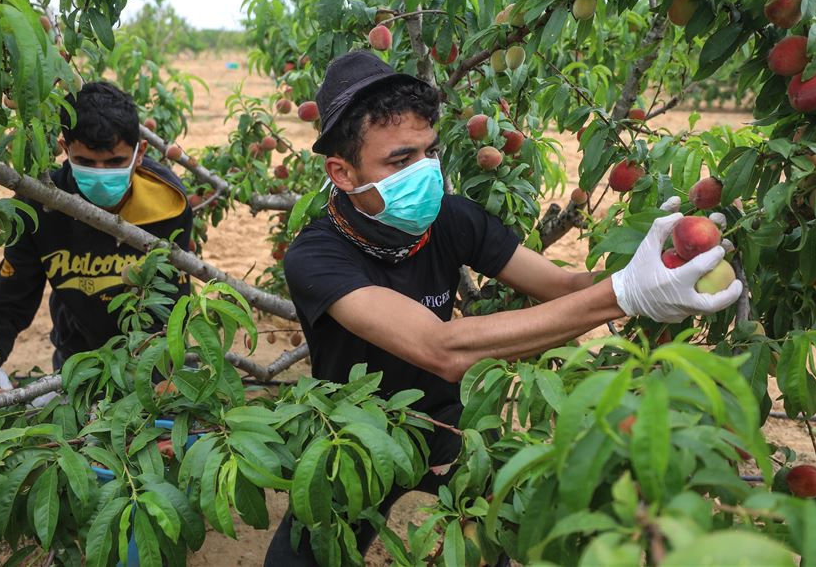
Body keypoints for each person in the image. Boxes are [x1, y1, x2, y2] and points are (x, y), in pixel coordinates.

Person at [267, 51, 742, 564]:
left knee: (498, 541)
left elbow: (562, 287)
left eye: (429, 153)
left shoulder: (450, 219)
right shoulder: (315, 256)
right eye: (401, 161)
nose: (425, 172)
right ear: (341, 171)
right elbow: (440, 347)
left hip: (451, 426)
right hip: (357, 434)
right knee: (298, 559)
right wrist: (624, 294)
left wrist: (663, 264)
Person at [0, 81, 193, 398]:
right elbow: (7, 301)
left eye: (114, 162)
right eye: (86, 162)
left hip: (153, 364)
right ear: (65, 148)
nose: (101, 173)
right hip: (77, 361)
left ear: (140, 152)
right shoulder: (39, 205)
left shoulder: (167, 203)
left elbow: (172, 302)